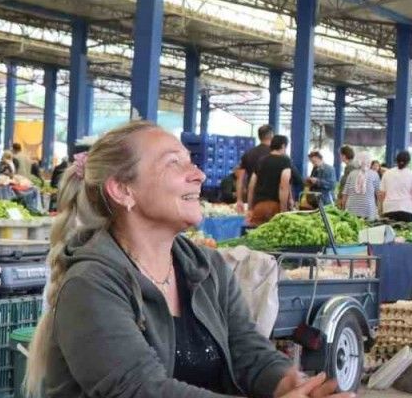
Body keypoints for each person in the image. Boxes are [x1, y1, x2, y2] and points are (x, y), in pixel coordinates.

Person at [22, 120, 351, 398]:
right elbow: (141, 390)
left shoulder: (207, 268)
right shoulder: (90, 284)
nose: (199, 175)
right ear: (123, 190)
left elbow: (249, 352)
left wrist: (290, 383)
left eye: (191, 161)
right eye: (173, 163)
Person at [246, 135, 292, 227]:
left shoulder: (261, 160)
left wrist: (250, 208)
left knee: (257, 234)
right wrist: (283, 211)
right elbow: (283, 186)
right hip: (275, 207)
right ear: (283, 146)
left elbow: (251, 185)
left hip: (258, 206)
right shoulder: (285, 161)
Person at [235, 125, 273, 215]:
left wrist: (239, 200)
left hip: (253, 197)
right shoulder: (275, 154)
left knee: (254, 221)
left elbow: (240, 178)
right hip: (272, 198)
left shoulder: (248, 154)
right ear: (272, 135)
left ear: (259, 136)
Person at [380, 150, 412, 223]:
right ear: (408, 162)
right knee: (405, 230)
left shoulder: (387, 173)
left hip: (389, 209)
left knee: (390, 230)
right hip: (407, 210)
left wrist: (380, 210)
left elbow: (382, 194)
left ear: (396, 160)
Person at [339, 153, 380, 221]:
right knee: (368, 227)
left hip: (351, 210)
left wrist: (343, 209)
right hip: (368, 210)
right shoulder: (374, 174)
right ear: (369, 161)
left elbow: (345, 193)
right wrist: (379, 210)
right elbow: (378, 194)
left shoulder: (351, 174)